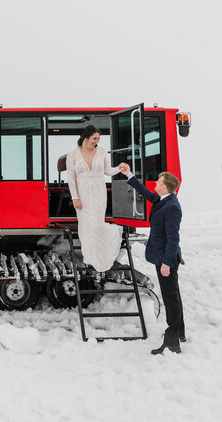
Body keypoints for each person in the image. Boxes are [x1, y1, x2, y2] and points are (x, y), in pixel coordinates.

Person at [119, 162, 185, 355]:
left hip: (167, 259)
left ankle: (172, 343)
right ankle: (180, 332)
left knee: (170, 299)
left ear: (164, 186)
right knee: (174, 296)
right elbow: (146, 193)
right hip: (162, 257)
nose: (155, 183)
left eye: (158, 181)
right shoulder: (163, 200)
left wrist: (166, 263)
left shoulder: (172, 207)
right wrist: (129, 175)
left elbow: (174, 238)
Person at [66, 126, 122, 272]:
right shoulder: (73, 154)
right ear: (85, 137)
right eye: (94, 138)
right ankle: (89, 258)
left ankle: (99, 256)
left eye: (98, 139)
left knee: (97, 224)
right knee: (86, 225)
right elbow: (71, 178)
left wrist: (119, 168)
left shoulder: (101, 151)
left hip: (98, 191)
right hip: (82, 192)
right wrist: (75, 197)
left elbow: (107, 171)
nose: (96, 142)